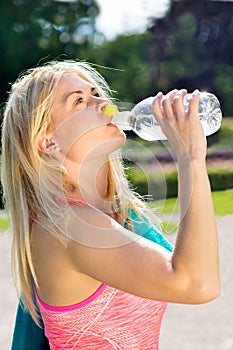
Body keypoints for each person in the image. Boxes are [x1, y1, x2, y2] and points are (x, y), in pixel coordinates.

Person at [1, 60, 220, 350]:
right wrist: (190, 157)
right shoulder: (68, 226)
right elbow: (198, 283)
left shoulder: (121, 215)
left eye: (95, 92)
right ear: (48, 142)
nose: (102, 102)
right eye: (79, 100)